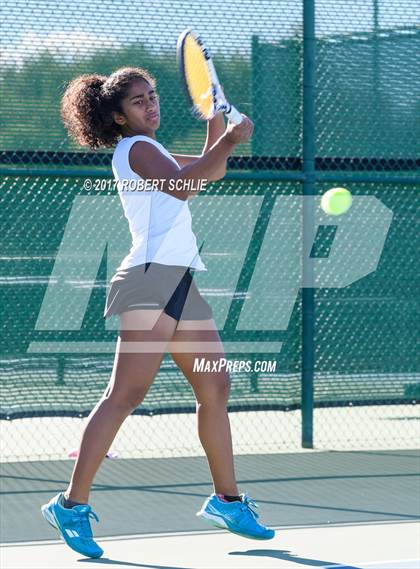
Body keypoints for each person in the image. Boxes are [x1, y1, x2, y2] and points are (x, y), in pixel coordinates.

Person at [41, 66, 275, 559]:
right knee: (125, 395)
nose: (151, 105)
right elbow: (185, 185)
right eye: (139, 101)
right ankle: (69, 504)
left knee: (215, 385)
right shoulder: (137, 149)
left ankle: (228, 501)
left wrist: (219, 128)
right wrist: (230, 139)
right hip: (149, 280)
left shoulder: (153, 148)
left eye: (152, 96)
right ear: (118, 117)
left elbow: (209, 170)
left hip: (178, 281)